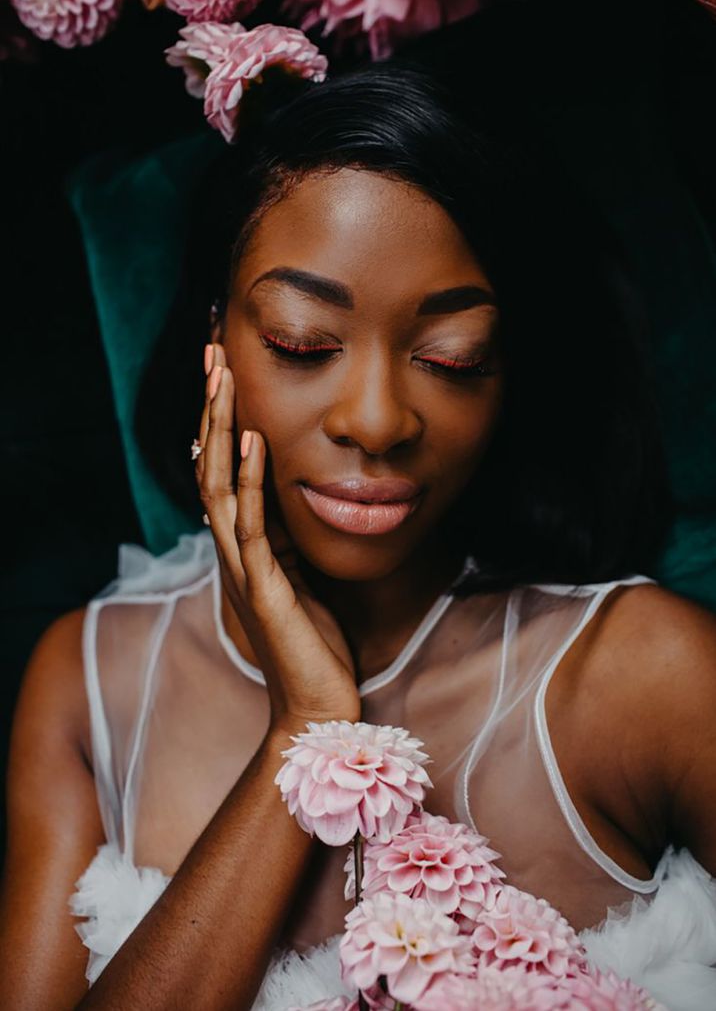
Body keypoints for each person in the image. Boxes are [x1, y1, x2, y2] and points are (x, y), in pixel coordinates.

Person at [1, 64, 716, 1011]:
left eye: (448, 359)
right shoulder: (87, 687)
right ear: (214, 341)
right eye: (303, 342)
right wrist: (305, 735)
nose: (377, 420)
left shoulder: (648, 678)